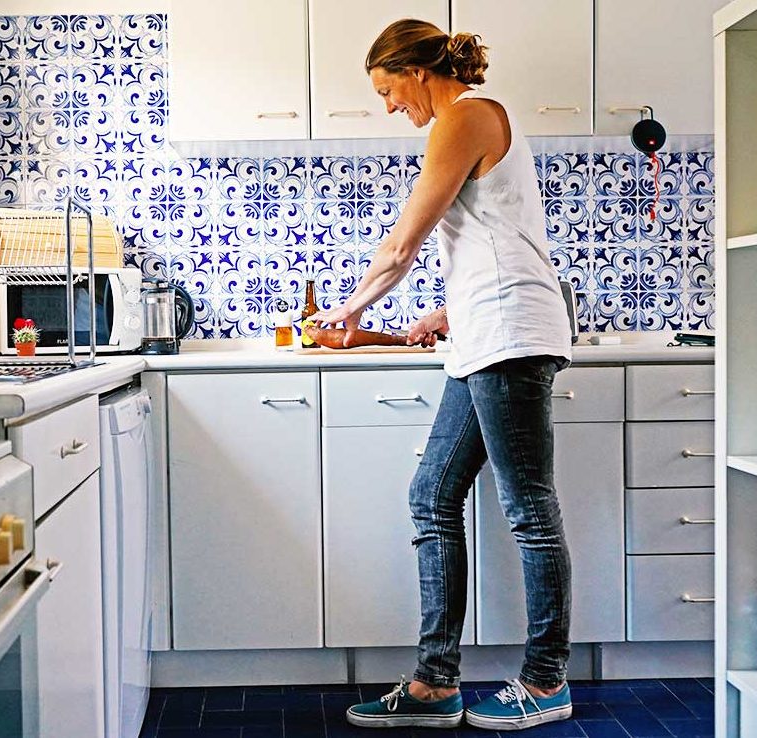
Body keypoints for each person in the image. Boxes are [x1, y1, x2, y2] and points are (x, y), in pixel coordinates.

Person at [311, 18, 574, 732]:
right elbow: (497, 238)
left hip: (510, 337)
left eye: (386, 89)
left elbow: (404, 242)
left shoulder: (464, 116)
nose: (388, 106)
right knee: (431, 495)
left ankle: (546, 681)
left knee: (528, 509)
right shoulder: (468, 121)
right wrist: (445, 310)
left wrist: (347, 310)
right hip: (484, 332)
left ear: (416, 71)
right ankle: (435, 683)